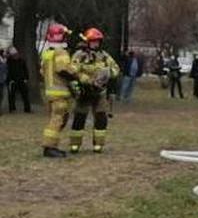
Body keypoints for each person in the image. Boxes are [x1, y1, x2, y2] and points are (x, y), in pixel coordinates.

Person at [69, 28, 120, 154]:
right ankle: (75, 145)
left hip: (100, 92)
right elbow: (73, 70)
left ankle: (98, 145)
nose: (95, 44)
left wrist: (108, 74)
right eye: (93, 41)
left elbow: (116, 68)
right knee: (79, 118)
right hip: (84, 91)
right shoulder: (79, 55)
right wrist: (85, 79)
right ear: (87, 42)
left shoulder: (104, 56)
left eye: (97, 41)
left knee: (101, 118)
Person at [40, 23, 81, 157]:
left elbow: (42, 72)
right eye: (65, 36)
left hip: (50, 92)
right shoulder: (60, 52)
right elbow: (63, 69)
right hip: (60, 93)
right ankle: (49, 148)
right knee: (57, 120)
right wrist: (75, 72)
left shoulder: (47, 54)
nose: (67, 38)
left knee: (58, 119)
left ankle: (51, 146)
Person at [7, 48, 31, 112]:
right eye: (14, 55)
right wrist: (10, 80)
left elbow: (25, 70)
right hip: (13, 80)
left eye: (16, 54)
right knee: (11, 96)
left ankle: (27, 109)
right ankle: (12, 108)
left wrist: (26, 78)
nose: (16, 56)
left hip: (22, 80)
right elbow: (8, 71)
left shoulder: (22, 61)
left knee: (25, 95)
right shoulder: (9, 61)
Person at [0, 49, 7, 114]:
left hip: (2, 81)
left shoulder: (4, 61)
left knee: (1, 95)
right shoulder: (2, 62)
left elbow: (5, 71)